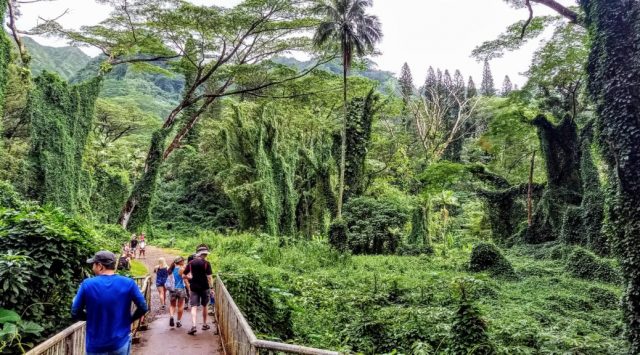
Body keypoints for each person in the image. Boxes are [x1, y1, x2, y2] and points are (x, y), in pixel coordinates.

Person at [71, 251, 148, 355]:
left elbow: (75, 311)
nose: (92, 267)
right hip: (120, 342)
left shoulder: (87, 284)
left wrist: (89, 317)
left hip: (96, 345)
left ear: (100, 266)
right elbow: (143, 307)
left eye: (93, 264)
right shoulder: (128, 283)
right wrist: (130, 320)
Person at [183, 246, 213, 335]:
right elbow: (209, 277)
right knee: (205, 305)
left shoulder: (191, 263)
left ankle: (194, 325)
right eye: (206, 254)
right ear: (204, 254)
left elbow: (183, 275)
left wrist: (190, 278)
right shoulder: (207, 263)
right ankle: (204, 324)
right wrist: (211, 288)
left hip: (194, 287)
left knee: (193, 306)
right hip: (205, 287)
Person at [168, 256, 187, 328]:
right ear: (180, 262)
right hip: (181, 289)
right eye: (183, 260)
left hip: (172, 289)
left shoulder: (170, 269)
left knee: (172, 305)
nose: (184, 262)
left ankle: (172, 316)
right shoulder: (182, 269)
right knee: (180, 305)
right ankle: (178, 321)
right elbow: (185, 278)